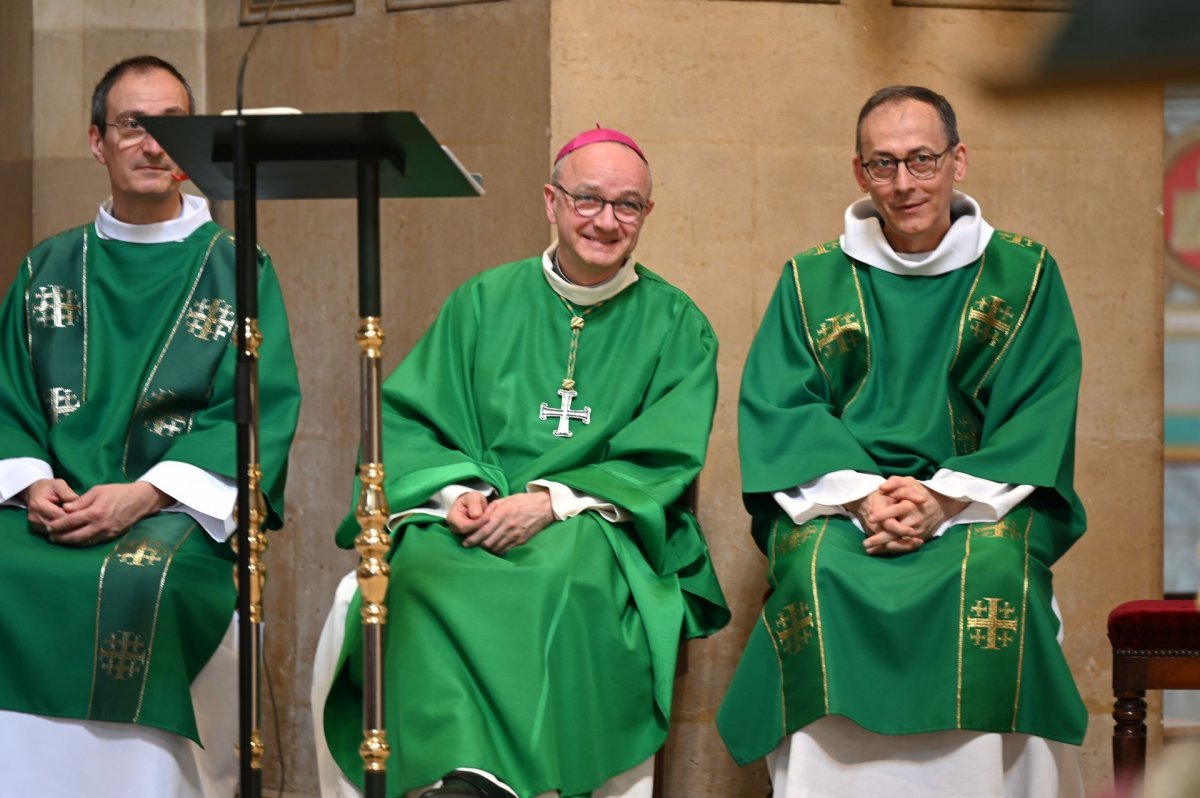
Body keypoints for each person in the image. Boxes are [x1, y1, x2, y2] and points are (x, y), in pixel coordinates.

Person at [313, 128, 729, 798]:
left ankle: (503, 782)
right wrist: (458, 494)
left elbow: (666, 454)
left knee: (558, 584)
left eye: (628, 206)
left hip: (596, 523)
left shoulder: (678, 325)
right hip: (475, 514)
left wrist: (550, 502)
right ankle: (449, 769)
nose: (606, 220)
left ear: (647, 214)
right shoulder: (483, 302)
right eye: (588, 199)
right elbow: (410, 420)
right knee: (416, 574)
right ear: (551, 201)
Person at [717, 86, 1088, 797]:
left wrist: (944, 499)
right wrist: (863, 497)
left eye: (922, 160)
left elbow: (1040, 410)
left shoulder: (1025, 272)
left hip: (978, 502)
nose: (905, 183)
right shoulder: (811, 277)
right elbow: (779, 406)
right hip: (848, 506)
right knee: (815, 571)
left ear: (959, 160)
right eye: (883, 164)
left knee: (992, 573)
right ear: (859, 172)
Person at [0, 55, 301, 797]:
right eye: (134, 126)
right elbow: (8, 401)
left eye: (173, 128)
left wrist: (143, 495)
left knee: (143, 587)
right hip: (55, 505)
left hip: (171, 514)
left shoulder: (238, 268)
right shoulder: (47, 268)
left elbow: (255, 412)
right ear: (98, 141)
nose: (154, 145)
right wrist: (33, 481)